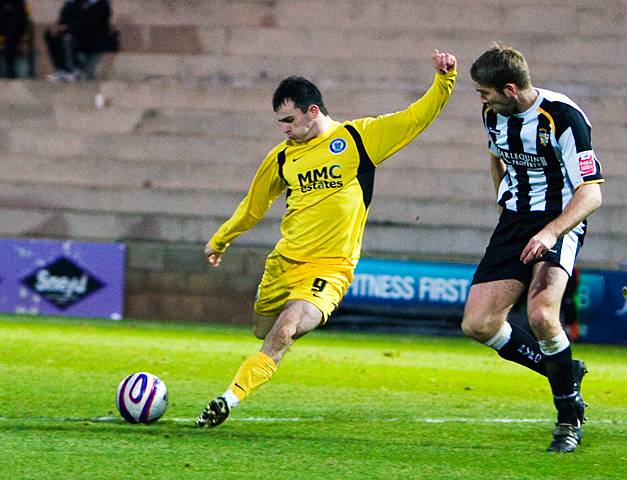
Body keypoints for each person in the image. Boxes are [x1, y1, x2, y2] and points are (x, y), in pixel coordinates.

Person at [196, 49, 457, 428]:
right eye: (280, 123)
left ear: (313, 111)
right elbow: (253, 206)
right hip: (284, 263)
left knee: (283, 331)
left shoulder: (358, 138)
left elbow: (414, 118)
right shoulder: (283, 157)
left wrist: (443, 81)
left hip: (330, 269)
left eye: (289, 120)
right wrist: (221, 239)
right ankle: (278, 339)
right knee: (264, 331)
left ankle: (228, 399)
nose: (284, 129)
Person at [462, 44, 603, 453]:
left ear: (509, 88)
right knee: (479, 324)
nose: (481, 99)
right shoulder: (494, 113)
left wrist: (551, 232)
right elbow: (496, 159)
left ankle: (567, 418)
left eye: (485, 92)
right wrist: (503, 202)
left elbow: (591, 193)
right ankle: (563, 372)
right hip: (514, 223)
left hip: (559, 220)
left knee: (542, 314)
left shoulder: (563, 117)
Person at [44, 0, 113, 82]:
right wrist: (57, 28)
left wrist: (67, 27)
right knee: (51, 35)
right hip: (74, 33)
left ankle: (74, 70)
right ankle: (61, 69)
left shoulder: (102, 4)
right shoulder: (73, 3)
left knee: (67, 39)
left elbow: (93, 24)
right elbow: (64, 19)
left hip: (93, 37)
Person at [0, 0, 28, 79]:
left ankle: (10, 69)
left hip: (14, 29)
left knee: (11, 39)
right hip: (3, 26)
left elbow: (21, 18)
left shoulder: (18, 2)